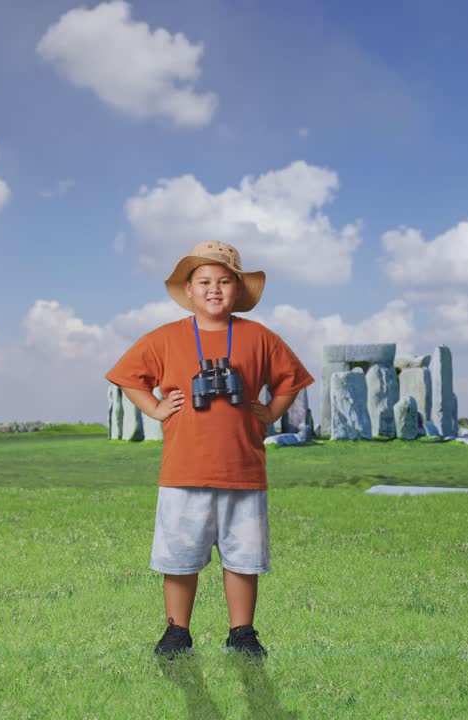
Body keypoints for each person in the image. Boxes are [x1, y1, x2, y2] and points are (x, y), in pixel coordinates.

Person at [106, 241, 314, 659]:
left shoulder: (259, 338)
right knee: (180, 556)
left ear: (238, 290)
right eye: (204, 282)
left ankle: (242, 632)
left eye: (224, 281)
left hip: (243, 471)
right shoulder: (166, 339)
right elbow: (128, 376)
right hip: (184, 471)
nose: (214, 289)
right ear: (188, 290)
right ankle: (176, 630)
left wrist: (270, 410)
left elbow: (291, 379)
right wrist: (158, 408)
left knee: (244, 557)